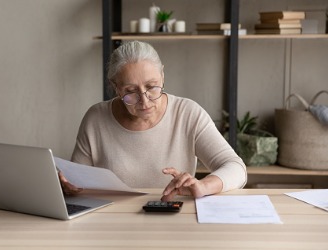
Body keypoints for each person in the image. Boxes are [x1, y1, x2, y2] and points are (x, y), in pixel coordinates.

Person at [59, 40, 247, 201]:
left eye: (152, 86)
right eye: (130, 91)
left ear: (162, 76)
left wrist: (204, 186)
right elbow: (76, 181)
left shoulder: (188, 114)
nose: (144, 100)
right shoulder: (96, 118)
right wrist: (68, 185)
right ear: (116, 88)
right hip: (113, 220)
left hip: (172, 216)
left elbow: (236, 168)